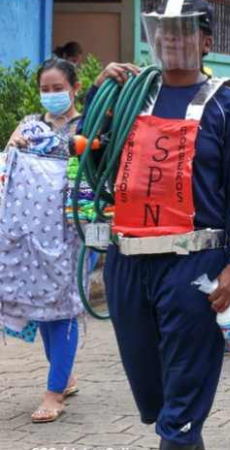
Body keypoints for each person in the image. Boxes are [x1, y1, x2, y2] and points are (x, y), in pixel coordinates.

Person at [88, 1, 230, 448]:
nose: (172, 40)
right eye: (164, 31)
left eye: (184, 32)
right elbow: (94, 160)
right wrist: (97, 96)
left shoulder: (227, 104)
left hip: (193, 265)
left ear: (206, 41)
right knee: (156, 398)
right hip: (128, 263)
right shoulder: (128, 96)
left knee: (182, 409)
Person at [0, 57, 84, 424]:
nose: (50, 95)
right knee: (45, 306)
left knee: (63, 303)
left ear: (75, 89)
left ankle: (54, 393)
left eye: (57, 89)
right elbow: (8, 166)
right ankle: (62, 374)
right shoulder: (30, 126)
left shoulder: (87, 126)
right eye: (44, 90)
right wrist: (15, 142)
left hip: (71, 229)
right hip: (32, 234)